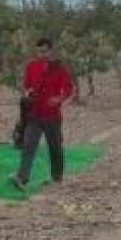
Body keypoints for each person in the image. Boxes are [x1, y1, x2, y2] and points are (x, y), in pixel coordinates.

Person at [11, 38, 74, 190]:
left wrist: (59, 98)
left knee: (55, 148)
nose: (42, 55)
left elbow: (69, 88)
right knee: (28, 146)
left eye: (45, 51)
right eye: (39, 52)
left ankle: (57, 178)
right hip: (34, 115)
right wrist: (27, 92)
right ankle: (22, 178)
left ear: (51, 51)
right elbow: (25, 86)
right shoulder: (32, 66)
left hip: (52, 116)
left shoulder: (59, 68)